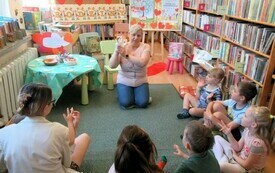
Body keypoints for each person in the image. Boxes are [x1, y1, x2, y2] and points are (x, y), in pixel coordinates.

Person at [0, 83, 90, 173]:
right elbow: (67, 163)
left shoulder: (4, 133)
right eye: (52, 102)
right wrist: (71, 125)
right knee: (84, 137)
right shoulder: (59, 130)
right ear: (46, 106)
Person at [213, 106, 275, 173]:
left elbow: (246, 166)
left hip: (247, 170)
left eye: (245, 116)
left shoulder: (257, 144)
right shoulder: (247, 130)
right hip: (239, 158)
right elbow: (237, 147)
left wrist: (234, 155)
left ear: (253, 124)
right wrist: (228, 133)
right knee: (217, 137)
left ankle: (224, 162)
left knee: (222, 166)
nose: (242, 116)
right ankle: (224, 161)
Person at [109, 24, 151, 109]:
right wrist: (116, 51)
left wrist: (126, 55)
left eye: (138, 35)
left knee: (142, 103)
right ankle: (125, 94)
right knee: (126, 103)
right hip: (124, 80)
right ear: (129, 34)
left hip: (141, 80)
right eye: (133, 35)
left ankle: (136, 95)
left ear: (141, 36)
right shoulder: (123, 46)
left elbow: (142, 62)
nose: (136, 38)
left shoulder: (145, 47)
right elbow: (112, 65)